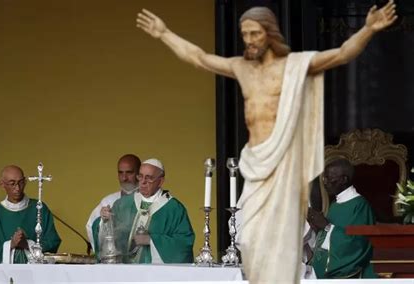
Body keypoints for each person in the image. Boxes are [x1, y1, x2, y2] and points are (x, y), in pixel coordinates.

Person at [137, 2, 396, 282]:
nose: (248, 40)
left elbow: (342, 53)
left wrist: (369, 28)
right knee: (247, 234)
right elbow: (199, 57)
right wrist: (164, 34)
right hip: (257, 161)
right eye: (244, 35)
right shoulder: (243, 68)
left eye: (254, 34)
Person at [92, 158, 195, 263]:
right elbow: (108, 235)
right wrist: (104, 221)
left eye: (149, 178)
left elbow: (184, 244)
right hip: (124, 271)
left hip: (155, 274)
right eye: (140, 176)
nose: (143, 182)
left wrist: (151, 240)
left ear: (160, 181)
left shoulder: (174, 209)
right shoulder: (123, 204)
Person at [308, 159, 376, 278]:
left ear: (344, 180)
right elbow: (327, 237)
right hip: (320, 268)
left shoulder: (359, 205)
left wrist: (326, 226)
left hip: (342, 272)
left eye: (329, 178)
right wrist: (316, 228)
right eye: (324, 178)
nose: (325, 182)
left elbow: (356, 243)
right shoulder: (335, 203)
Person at [0, 165, 61, 263]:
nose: (17, 188)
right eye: (12, 183)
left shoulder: (39, 208)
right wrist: (11, 244)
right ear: (2, 184)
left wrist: (27, 244)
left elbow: (53, 241)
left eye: (21, 182)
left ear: (25, 181)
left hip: (36, 273)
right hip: (5, 274)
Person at [86, 154, 141, 252]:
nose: (124, 178)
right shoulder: (108, 201)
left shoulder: (149, 200)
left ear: (139, 174)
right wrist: (103, 222)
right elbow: (91, 226)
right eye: (120, 173)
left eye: (129, 172)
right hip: (115, 260)